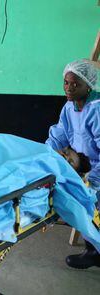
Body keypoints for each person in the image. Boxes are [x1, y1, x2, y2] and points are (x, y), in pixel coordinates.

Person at [46, 59, 100, 269]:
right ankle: (93, 248)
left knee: (89, 202)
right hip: (85, 166)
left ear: (89, 85)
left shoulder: (96, 111)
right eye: (66, 83)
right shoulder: (69, 107)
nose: (69, 88)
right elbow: (58, 135)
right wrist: (44, 155)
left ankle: (94, 251)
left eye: (75, 84)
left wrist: (93, 180)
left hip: (96, 168)